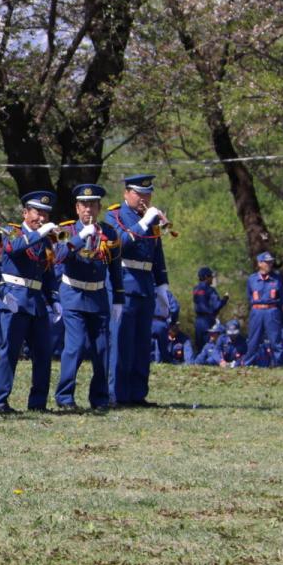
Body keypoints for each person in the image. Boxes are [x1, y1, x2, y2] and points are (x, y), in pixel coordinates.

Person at [54, 184, 121, 410]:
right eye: (84, 205)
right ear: (76, 208)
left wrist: (118, 296)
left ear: (99, 207)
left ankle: (100, 398)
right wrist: (81, 237)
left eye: (93, 204)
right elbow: (60, 256)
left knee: (102, 349)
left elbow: (115, 266)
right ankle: (65, 397)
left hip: (98, 294)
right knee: (75, 346)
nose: (88, 210)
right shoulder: (66, 231)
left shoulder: (109, 232)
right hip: (73, 294)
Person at [0, 191, 58, 414]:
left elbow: (47, 273)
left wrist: (53, 299)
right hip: (15, 298)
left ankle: (38, 402)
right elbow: (13, 249)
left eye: (45, 213)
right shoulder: (11, 231)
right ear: (25, 213)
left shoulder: (45, 238)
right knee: (9, 351)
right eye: (37, 212)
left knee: (43, 353)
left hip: (36, 301)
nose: (41, 217)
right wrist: (39, 233)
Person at [106, 174, 171, 406]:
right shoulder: (113, 216)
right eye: (139, 194)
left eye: (147, 194)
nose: (144, 199)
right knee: (122, 342)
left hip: (145, 285)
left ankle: (137, 393)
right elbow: (119, 243)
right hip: (124, 283)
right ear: (126, 193)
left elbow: (157, 254)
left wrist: (162, 285)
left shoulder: (151, 219)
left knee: (143, 343)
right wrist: (144, 223)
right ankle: (117, 394)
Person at [245, 251, 283, 364]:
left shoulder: (277, 279)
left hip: (272, 311)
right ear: (260, 264)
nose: (269, 265)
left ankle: (278, 363)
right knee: (253, 339)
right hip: (257, 311)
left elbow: (281, 297)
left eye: (271, 262)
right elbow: (249, 296)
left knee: (275, 339)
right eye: (267, 262)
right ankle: (248, 363)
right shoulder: (251, 279)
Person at [192, 266, 229, 345]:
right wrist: (225, 299)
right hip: (207, 321)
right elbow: (217, 305)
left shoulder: (195, 289)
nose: (212, 278)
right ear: (206, 277)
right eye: (211, 276)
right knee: (209, 346)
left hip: (198, 321)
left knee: (199, 347)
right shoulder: (210, 290)